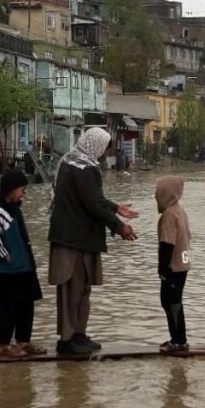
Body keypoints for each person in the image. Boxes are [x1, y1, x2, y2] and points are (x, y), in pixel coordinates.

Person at [48, 127, 138, 355]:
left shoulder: (71, 161)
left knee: (81, 290)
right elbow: (93, 204)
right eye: (104, 148)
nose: (104, 153)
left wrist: (116, 208)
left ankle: (78, 335)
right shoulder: (85, 168)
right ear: (96, 145)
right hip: (74, 239)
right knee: (73, 290)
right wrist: (119, 226)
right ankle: (68, 340)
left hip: (77, 237)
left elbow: (92, 199)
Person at [0, 170, 46, 358]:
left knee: (26, 306)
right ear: (10, 189)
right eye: (21, 189)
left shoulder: (14, 208)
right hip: (6, 272)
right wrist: (4, 254)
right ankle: (3, 346)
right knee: (7, 308)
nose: (24, 192)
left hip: (23, 268)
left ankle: (23, 342)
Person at [155, 175, 191, 353]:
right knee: (172, 301)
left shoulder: (169, 214)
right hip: (182, 265)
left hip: (173, 267)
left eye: (157, 192)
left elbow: (167, 244)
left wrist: (162, 269)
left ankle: (179, 341)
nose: (155, 196)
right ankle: (177, 338)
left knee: (171, 302)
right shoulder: (179, 210)